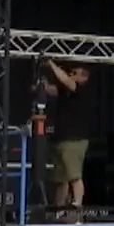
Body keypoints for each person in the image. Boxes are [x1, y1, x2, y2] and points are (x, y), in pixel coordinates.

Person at [43, 60, 95, 215]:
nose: (70, 75)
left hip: (75, 139)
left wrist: (51, 64)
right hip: (61, 138)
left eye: (74, 73)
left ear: (83, 77)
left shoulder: (82, 89)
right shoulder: (64, 90)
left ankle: (77, 204)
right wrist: (42, 83)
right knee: (61, 178)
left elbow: (64, 79)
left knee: (74, 174)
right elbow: (50, 90)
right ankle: (59, 208)